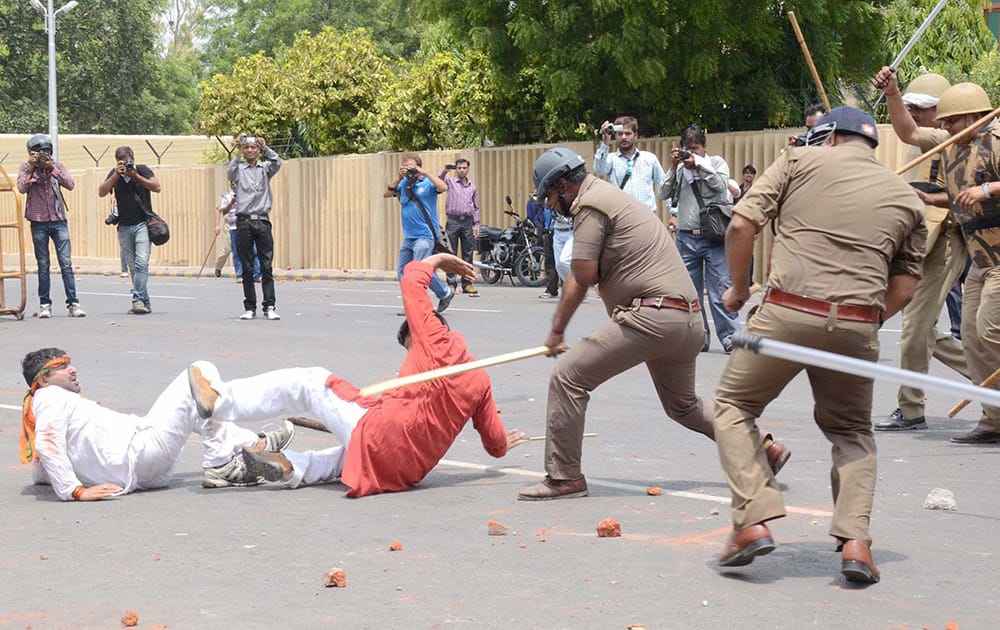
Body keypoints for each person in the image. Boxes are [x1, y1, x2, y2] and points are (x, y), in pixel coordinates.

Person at [712, 107, 926, 583]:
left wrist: (739, 289)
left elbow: (740, 226)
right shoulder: (907, 198)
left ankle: (753, 520)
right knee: (850, 431)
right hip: (857, 325)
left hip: (786, 313)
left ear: (828, 138)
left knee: (732, 405)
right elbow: (905, 288)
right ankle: (855, 543)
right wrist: (860, 322)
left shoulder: (796, 160)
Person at [515, 148, 789, 501]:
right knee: (684, 405)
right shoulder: (610, 197)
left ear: (564, 185)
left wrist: (556, 331)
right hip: (686, 320)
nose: (551, 206)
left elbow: (582, 274)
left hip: (652, 317)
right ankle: (762, 448)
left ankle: (563, 476)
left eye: (551, 197)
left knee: (568, 377)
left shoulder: (591, 203)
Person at [186, 254, 526, 497]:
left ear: (432, 326)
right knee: (345, 457)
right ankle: (292, 467)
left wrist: (437, 260)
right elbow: (495, 445)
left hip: (380, 433)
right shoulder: (479, 380)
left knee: (311, 382)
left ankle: (221, 401)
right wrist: (504, 443)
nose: (411, 353)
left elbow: (412, 278)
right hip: (405, 471)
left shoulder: (432, 335)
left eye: (410, 345)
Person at [874, 69, 1000, 444]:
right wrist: (894, 93)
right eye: (944, 121)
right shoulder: (948, 141)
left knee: (991, 329)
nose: (947, 126)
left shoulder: (996, 140)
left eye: (954, 120)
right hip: (979, 259)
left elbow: (982, 189)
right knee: (974, 339)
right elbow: (909, 133)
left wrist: (987, 190)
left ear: (975, 116)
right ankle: (995, 419)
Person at [18, 348, 295, 500]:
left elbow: (41, 470)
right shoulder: (49, 397)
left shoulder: (42, 405)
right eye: (62, 367)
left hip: (141, 460)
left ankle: (250, 446)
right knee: (199, 373)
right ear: (42, 380)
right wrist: (75, 491)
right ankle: (221, 463)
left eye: (70, 363)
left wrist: (60, 480)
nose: (72, 369)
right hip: (141, 452)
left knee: (199, 403)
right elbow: (48, 442)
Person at [660, 124, 739, 353]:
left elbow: (721, 186)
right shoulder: (680, 169)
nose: (692, 153)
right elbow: (663, 193)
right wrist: (673, 167)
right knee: (689, 294)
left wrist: (700, 168)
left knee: (719, 291)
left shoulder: (716, 163)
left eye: (696, 148)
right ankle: (698, 338)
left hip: (713, 238)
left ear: (705, 147)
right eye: (688, 148)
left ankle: (730, 337)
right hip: (686, 238)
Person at [17, 134, 85, 319]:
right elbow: (22, 188)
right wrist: (32, 167)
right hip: (37, 221)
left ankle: (73, 304)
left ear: (50, 152)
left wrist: (52, 168)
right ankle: (45, 304)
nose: (42, 156)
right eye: (38, 153)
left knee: (66, 263)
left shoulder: (57, 166)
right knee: (43, 264)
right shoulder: (25, 167)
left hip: (58, 220)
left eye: (45, 152)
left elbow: (70, 184)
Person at [385, 155, 454, 314]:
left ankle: (422, 303)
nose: (409, 169)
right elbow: (387, 193)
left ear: (419, 167)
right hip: (409, 237)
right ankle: (442, 293)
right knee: (403, 271)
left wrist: (424, 173)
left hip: (425, 236)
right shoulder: (404, 184)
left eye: (411, 167)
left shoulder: (428, 183)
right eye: (405, 166)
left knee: (417, 271)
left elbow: (443, 187)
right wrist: (398, 178)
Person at [98, 146, 160, 315]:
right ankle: (144, 302)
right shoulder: (115, 173)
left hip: (142, 225)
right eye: (122, 161)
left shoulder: (142, 170)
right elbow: (102, 192)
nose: (126, 164)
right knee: (134, 268)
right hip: (124, 226)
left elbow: (156, 187)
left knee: (141, 263)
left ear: (133, 158)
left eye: (128, 160)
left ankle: (137, 300)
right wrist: (117, 175)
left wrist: (135, 176)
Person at [228, 133, 282, 320]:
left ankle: (270, 305)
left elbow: (277, 162)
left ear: (258, 150)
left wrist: (266, 148)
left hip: (262, 220)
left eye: (253, 147)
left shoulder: (265, 169)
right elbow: (230, 172)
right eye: (247, 147)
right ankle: (250, 306)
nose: (250, 150)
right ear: (243, 150)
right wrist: (236, 151)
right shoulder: (239, 169)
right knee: (247, 266)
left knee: (266, 265)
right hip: (243, 222)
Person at [594, 116, 667, 211]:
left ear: (635, 135)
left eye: (628, 133)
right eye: (620, 134)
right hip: (621, 216)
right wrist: (605, 141)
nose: (623, 137)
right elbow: (599, 170)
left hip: (647, 216)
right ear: (615, 135)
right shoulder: (611, 159)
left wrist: (674, 214)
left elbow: (664, 186)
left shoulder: (649, 159)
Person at [438, 159, 480, 296]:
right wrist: (445, 170)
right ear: (456, 169)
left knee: (468, 253)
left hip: (467, 221)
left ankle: (467, 283)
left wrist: (476, 224)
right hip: (453, 221)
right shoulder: (450, 182)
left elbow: (476, 207)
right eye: (459, 168)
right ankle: (451, 283)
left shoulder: (472, 187)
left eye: (464, 168)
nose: (462, 170)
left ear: (468, 169)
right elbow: (438, 182)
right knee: (451, 252)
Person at [214, 181, 260, 281]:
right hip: (232, 226)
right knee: (231, 249)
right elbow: (221, 211)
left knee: (253, 250)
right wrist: (231, 203)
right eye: (232, 183)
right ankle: (238, 274)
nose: (234, 185)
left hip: (247, 226)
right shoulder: (226, 197)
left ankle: (257, 274)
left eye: (237, 183)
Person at [528, 193, 559, 299]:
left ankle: (574, 289)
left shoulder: (558, 196)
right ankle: (551, 289)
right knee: (550, 262)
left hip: (558, 230)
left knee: (563, 262)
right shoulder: (542, 199)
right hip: (547, 231)